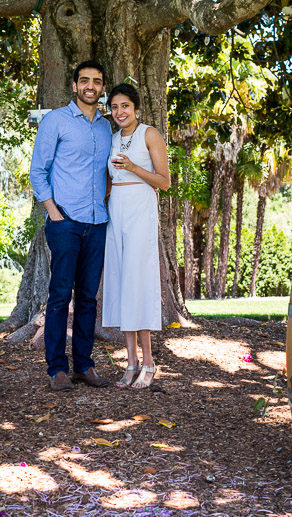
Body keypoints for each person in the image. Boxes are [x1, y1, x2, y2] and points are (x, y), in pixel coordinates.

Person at [29, 60, 113, 391]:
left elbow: (107, 172)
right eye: (85, 80)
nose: (91, 86)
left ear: (102, 87)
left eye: (97, 81)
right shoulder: (56, 121)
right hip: (65, 221)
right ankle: (57, 369)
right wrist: (53, 212)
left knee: (88, 298)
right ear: (75, 85)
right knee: (61, 295)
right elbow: (38, 170)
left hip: (97, 222)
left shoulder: (106, 128)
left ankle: (84, 366)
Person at [102, 83, 170, 389]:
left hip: (141, 208)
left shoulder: (149, 134)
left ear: (136, 109)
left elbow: (164, 182)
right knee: (120, 282)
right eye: (115, 107)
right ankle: (130, 363)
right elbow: (110, 179)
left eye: (125, 106)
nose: (120, 112)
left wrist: (132, 166)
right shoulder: (113, 138)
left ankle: (149, 363)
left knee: (138, 281)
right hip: (116, 209)